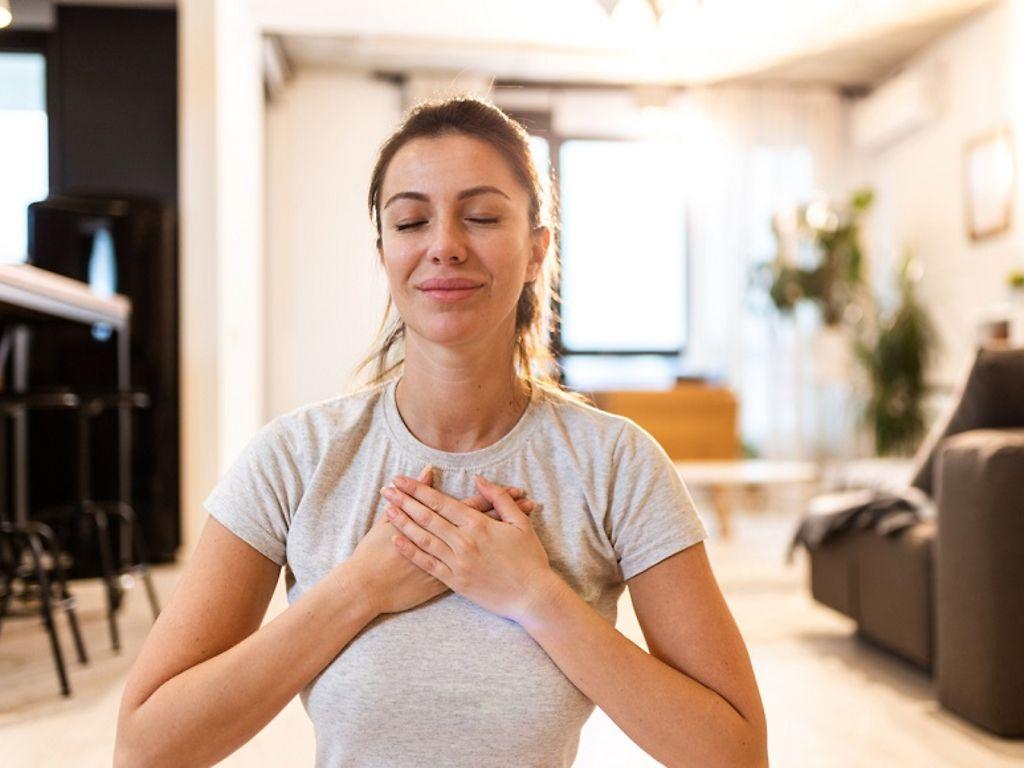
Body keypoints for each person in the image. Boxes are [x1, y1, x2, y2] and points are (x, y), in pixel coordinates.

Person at [114, 96, 768, 768]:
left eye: (481, 217)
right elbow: (145, 749)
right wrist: (358, 589)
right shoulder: (294, 459)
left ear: (538, 250)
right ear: (385, 253)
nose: (444, 245)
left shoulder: (616, 464)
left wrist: (536, 598)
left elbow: (735, 754)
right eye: (410, 220)